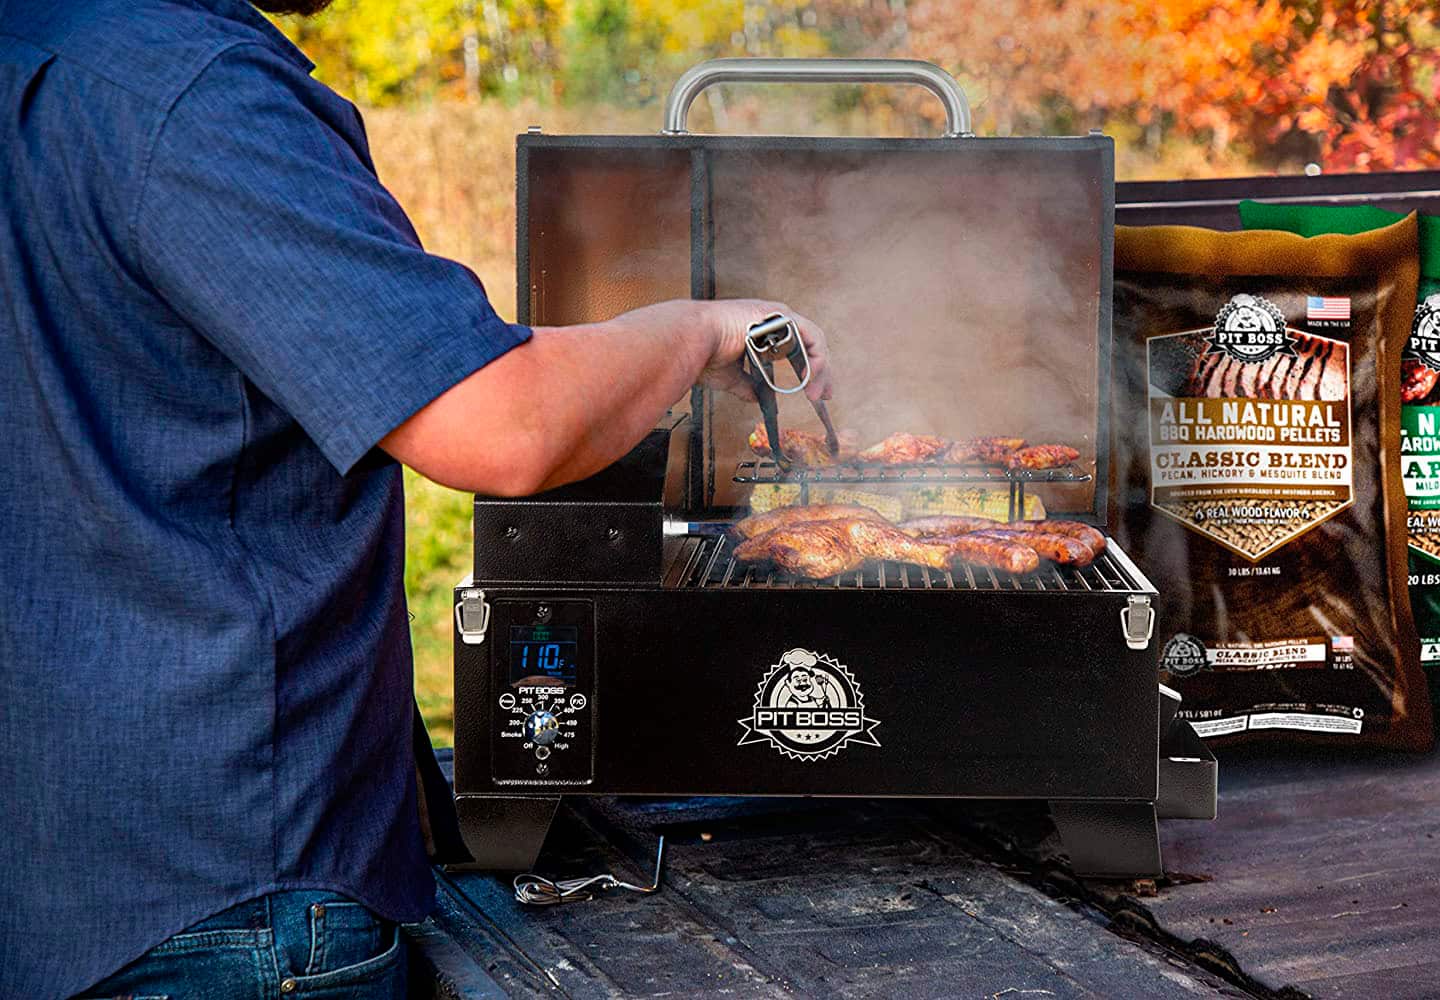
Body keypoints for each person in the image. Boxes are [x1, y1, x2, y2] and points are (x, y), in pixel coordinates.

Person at [0, 1, 831, 997]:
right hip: (223, 899)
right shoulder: (186, 95)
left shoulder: (37, 57)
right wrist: (701, 330)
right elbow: (501, 424)